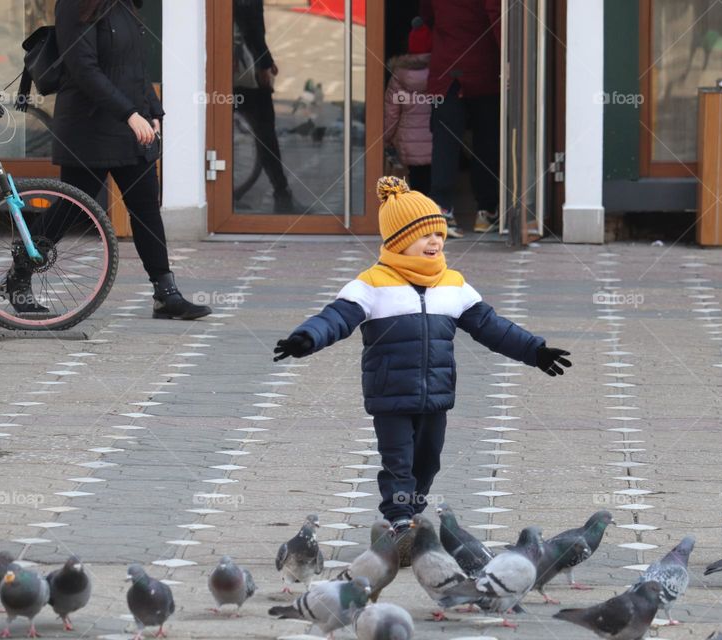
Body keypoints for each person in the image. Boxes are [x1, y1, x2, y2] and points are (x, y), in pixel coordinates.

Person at [272, 176, 572, 564]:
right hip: (391, 397)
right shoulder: (373, 284)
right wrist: (306, 339)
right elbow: (335, 319)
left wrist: (536, 351)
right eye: (424, 235)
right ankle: (398, 521)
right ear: (397, 240)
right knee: (397, 461)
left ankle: (411, 513)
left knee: (427, 461)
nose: (435, 242)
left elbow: (492, 327)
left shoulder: (453, 284)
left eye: (439, 234)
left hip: (437, 395)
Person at [29, 0, 210, 320]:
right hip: (88, 128)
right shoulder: (75, 5)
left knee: (146, 209)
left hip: (129, 127)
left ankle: (166, 294)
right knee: (72, 206)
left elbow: (136, 68)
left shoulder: (123, 5)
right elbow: (84, 69)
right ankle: (18, 273)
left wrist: (152, 111)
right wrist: (130, 114)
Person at [421, 0, 502, 237]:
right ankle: (486, 212)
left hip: (446, 68)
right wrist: (511, 59)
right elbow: (496, 16)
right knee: (486, 143)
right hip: (485, 68)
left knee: (445, 142)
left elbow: (426, 15)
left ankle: (441, 210)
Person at [233, 0, 302, 213]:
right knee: (264, 132)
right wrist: (264, 62)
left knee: (260, 132)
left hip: (238, 64)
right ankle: (281, 195)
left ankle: (231, 197)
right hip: (246, 68)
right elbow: (249, 23)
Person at [383, 17, 433, 194]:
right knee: (436, 179)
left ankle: (419, 213)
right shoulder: (439, 73)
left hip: (408, 142)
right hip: (436, 141)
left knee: (418, 182)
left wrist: (386, 137)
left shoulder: (399, 77)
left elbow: (391, 112)